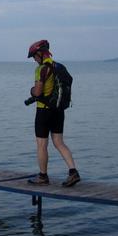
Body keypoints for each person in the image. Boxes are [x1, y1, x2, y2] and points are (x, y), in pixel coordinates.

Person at [26, 40, 80, 187]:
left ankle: (43, 177)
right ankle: (73, 172)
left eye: (34, 56)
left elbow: (38, 91)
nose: (34, 60)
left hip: (44, 111)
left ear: (39, 54)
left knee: (42, 144)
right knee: (59, 142)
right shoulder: (59, 66)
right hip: (58, 110)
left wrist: (32, 90)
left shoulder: (42, 69)